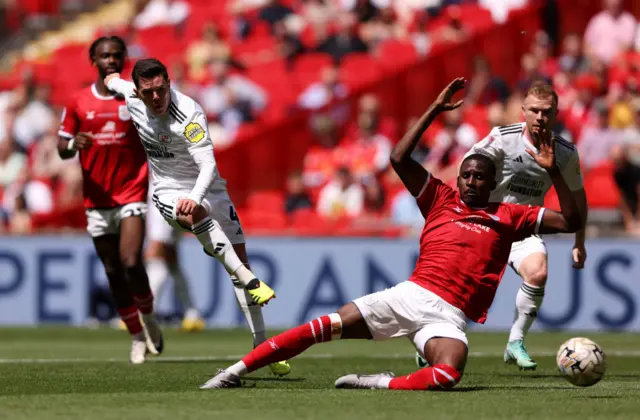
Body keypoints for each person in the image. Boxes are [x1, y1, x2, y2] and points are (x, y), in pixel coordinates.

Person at [199, 78, 582, 390]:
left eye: (479, 177)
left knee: (449, 374)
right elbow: (398, 158)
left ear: (492, 182)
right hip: (409, 296)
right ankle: (233, 372)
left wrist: (554, 172)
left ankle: (380, 383)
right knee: (325, 325)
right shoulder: (440, 198)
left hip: (448, 317)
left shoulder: (508, 215)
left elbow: (571, 221)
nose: (470, 181)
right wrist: (434, 108)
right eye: (465, 174)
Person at [104, 58, 290, 376]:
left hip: (208, 189)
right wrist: (107, 79)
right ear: (138, 91)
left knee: (238, 261)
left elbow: (208, 166)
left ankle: (263, 350)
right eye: (149, 92)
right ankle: (251, 280)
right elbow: (113, 81)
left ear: (169, 84)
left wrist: (196, 196)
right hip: (167, 190)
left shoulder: (188, 112)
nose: (157, 98)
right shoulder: (131, 96)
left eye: (162, 90)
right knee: (193, 221)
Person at [435, 80, 586, 371]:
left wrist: (580, 242)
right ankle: (437, 339)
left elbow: (579, 200)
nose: (540, 117)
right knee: (458, 289)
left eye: (546, 111)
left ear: (556, 113)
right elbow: (468, 165)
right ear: (523, 112)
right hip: (488, 223)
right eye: (534, 111)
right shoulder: (503, 139)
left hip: (524, 226)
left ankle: (515, 341)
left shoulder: (566, 153)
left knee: (538, 271)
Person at [57, 36, 163, 364]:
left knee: (131, 261)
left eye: (117, 55)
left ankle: (148, 318)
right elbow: (61, 148)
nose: (111, 61)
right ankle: (135, 336)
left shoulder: (135, 97)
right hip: (96, 199)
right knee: (112, 269)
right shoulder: (77, 102)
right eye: (105, 56)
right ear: (94, 60)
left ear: (124, 59)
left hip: (131, 192)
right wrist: (75, 144)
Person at [145, 186, 206, 332]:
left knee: (156, 250)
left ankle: (146, 314)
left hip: (168, 189)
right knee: (170, 258)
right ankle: (192, 314)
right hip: (171, 189)